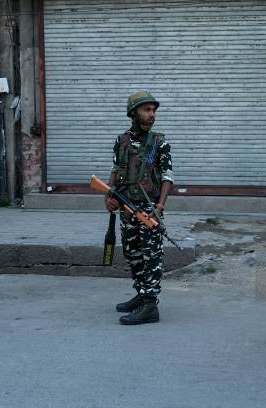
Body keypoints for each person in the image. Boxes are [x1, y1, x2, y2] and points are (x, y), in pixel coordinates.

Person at [105, 91, 174, 325]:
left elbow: (167, 177)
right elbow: (116, 170)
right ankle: (141, 294)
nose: (152, 114)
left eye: (154, 110)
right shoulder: (121, 141)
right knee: (132, 253)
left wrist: (160, 206)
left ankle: (150, 306)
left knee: (151, 256)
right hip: (126, 207)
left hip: (149, 208)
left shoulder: (159, 142)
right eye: (147, 110)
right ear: (133, 113)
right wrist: (109, 195)